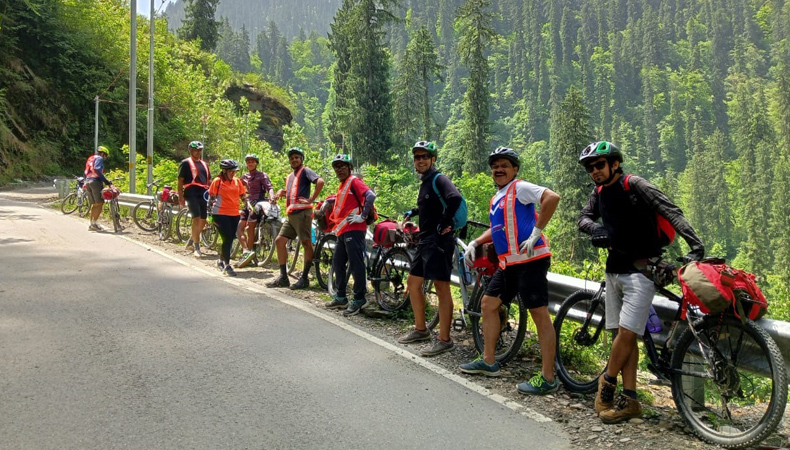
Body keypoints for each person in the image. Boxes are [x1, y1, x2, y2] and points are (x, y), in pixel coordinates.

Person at [577, 141, 705, 423]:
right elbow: (583, 218)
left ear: (614, 164)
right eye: (590, 167)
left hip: (642, 271)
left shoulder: (634, 185)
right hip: (614, 271)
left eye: (599, 164)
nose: (594, 171)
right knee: (626, 337)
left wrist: (696, 245)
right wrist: (596, 228)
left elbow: (671, 210)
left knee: (626, 333)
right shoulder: (599, 193)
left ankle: (607, 384)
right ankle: (631, 400)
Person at [459, 147, 561, 396]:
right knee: (488, 304)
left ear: (515, 169)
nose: (499, 169)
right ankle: (489, 361)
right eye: (495, 166)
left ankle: (548, 377)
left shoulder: (520, 188)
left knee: (539, 315)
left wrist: (537, 231)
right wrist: (476, 242)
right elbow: (497, 228)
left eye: (504, 165)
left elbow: (552, 197)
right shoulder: (497, 198)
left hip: (531, 260)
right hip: (509, 264)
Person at [396, 141, 463, 357]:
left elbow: (454, 198)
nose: (420, 160)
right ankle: (421, 329)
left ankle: (444, 340)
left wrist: (444, 222)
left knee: (441, 288)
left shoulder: (439, 178)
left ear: (432, 159)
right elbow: (432, 204)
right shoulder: (426, 182)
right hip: (425, 241)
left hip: (439, 242)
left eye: (425, 156)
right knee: (413, 284)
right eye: (417, 157)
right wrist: (415, 211)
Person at [323, 154, 377, 316]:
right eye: (336, 167)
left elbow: (370, 195)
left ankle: (359, 297)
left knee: (356, 263)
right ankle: (341, 296)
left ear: (350, 167)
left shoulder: (354, 181)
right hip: (343, 230)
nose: (339, 169)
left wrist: (362, 215)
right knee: (338, 262)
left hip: (355, 229)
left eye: (342, 166)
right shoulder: (343, 184)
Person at [266, 147, 324, 289]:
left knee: (306, 243)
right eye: (292, 158)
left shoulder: (305, 171)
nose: (294, 160)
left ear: (302, 159)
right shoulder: (291, 176)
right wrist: (281, 192)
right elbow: (293, 192)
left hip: (302, 213)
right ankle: (283, 277)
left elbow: (320, 181)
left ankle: (304, 278)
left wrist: (311, 200)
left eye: (297, 157)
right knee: (280, 241)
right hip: (291, 214)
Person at [207, 159, 248, 276]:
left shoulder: (237, 181)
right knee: (227, 238)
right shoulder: (217, 181)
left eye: (234, 171)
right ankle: (227, 265)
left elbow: (242, 195)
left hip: (234, 213)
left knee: (230, 238)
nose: (233, 173)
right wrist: (209, 213)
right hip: (219, 214)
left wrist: (246, 203)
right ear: (224, 171)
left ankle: (220, 260)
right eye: (231, 171)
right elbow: (211, 197)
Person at [236, 153, 275, 268]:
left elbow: (270, 188)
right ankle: (246, 252)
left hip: (258, 204)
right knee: (239, 228)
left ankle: (249, 253)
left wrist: (272, 197)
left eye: (253, 161)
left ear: (256, 163)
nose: (250, 163)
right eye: (248, 161)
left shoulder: (262, 175)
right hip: (247, 204)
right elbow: (237, 187)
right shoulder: (244, 177)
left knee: (250, 227)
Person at [178, 141, 211, 258]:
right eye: (196, 150)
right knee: (196, 218)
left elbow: (209, 180)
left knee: (203, 220)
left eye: (199, 150)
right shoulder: (186, 163)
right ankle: (197, 247)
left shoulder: (205, 164)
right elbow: (180, 180)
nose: (198, 152)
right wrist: (181, 196)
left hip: (203, 193)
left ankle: (192, 240)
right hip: (191, 192)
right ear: (191, 151)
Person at [84, 146, 113, 231]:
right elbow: (97, 169)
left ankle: (92, 223)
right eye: (106, 156)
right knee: (100, 203)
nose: (105, 158)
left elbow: (86, 171)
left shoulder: (91, 158)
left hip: (88, 181)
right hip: (95, 181)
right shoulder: (99, 158)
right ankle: (94, 223)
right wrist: (106, 181)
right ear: (103, 154)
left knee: (94, 204)